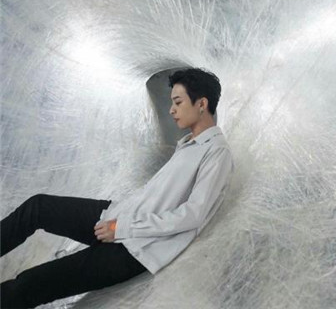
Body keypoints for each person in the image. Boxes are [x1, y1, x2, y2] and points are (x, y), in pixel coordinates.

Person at [0, 67, 235, 308]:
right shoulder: (187, 143)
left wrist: (122, 228)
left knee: (29, 284)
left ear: (201, 104)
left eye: (178, 102)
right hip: (116, 216)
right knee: (38, 207)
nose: (171, 110)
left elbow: (192, 215)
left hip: (134, 248)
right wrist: (118, 220)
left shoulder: (217, 151)